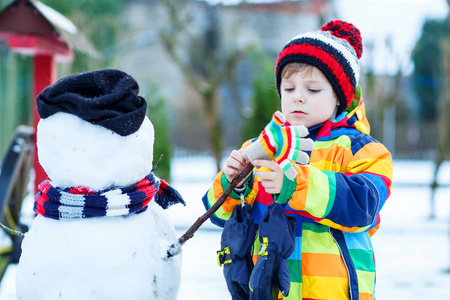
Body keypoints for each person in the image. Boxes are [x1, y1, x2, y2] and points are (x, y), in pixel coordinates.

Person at [202, 20, 393, 300]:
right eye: (289, 89)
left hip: (334, 293)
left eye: (312, 90)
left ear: (340, 97)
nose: (298, 98)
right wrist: (233, 185)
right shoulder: (260, 148)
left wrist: (295, 185)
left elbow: (362, 207)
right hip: (270, 291)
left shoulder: (362, 150)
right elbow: (219, 215)